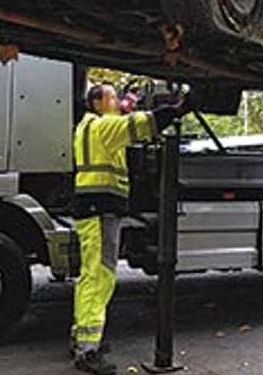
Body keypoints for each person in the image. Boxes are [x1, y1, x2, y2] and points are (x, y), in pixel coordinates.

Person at [71, 83, 190, 375]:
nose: (117, 102)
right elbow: (139, 124)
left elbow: (125, 115)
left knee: (89, 276)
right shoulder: (105, 127)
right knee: (101, 278)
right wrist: (175, 110)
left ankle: (81, 337)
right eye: (112, 97)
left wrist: (129, 100)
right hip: (101, 211)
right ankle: (88, 351)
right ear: (97, 102)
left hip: (90, 210)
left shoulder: (86, 126)